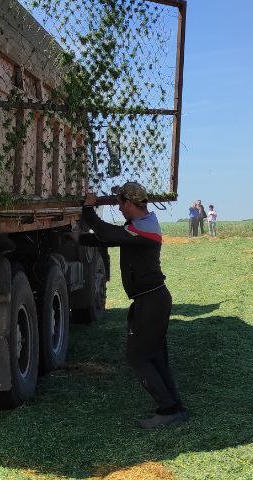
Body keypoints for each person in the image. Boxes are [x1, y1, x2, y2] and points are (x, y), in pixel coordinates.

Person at [80, 182, 187, 429]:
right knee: (156, 356)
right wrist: (78, 238)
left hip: (151, 300)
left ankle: (169, 409)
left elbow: (109, 234)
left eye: (119, 204)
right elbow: (109, 240)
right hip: (151, 299)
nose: (119, 208)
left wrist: (88, 209)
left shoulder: (144, 229)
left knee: (138, 356)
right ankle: (175, 407)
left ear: (128, 203)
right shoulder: (140, 226)